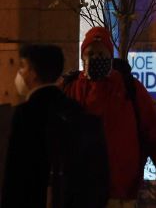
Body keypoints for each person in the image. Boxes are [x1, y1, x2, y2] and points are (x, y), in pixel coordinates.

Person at [64, 27, 156, 207]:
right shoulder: (71, 89)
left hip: (120, 191)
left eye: (101, 53)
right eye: (90, 53)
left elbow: (153, 130)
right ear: (82, 56)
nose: (95, 58)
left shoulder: (129, 88)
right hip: (81, 190)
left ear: (110, 56)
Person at [2, 44, 108, 208]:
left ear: (33, 74)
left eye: (23, 67)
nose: (20, 73)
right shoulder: (76, 111)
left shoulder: (25, 114)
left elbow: (15, 175)